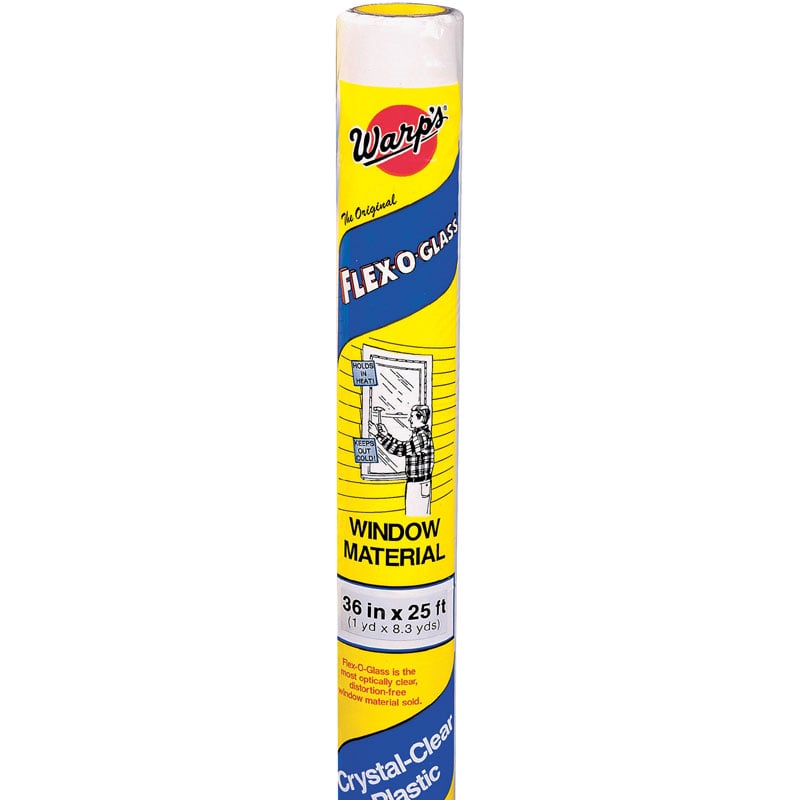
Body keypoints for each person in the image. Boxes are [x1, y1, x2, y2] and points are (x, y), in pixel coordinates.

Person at [369, 404, 434, 516]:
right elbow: (404, 445)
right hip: (417, 484)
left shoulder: (421, 436)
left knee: (415, 515)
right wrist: (386, 435)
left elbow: (400, 450)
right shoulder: (420, 434)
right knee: (415, 514)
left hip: (418, 484)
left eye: (412, 416)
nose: (409, 419)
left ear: (420, 418)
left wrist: (378, 435)